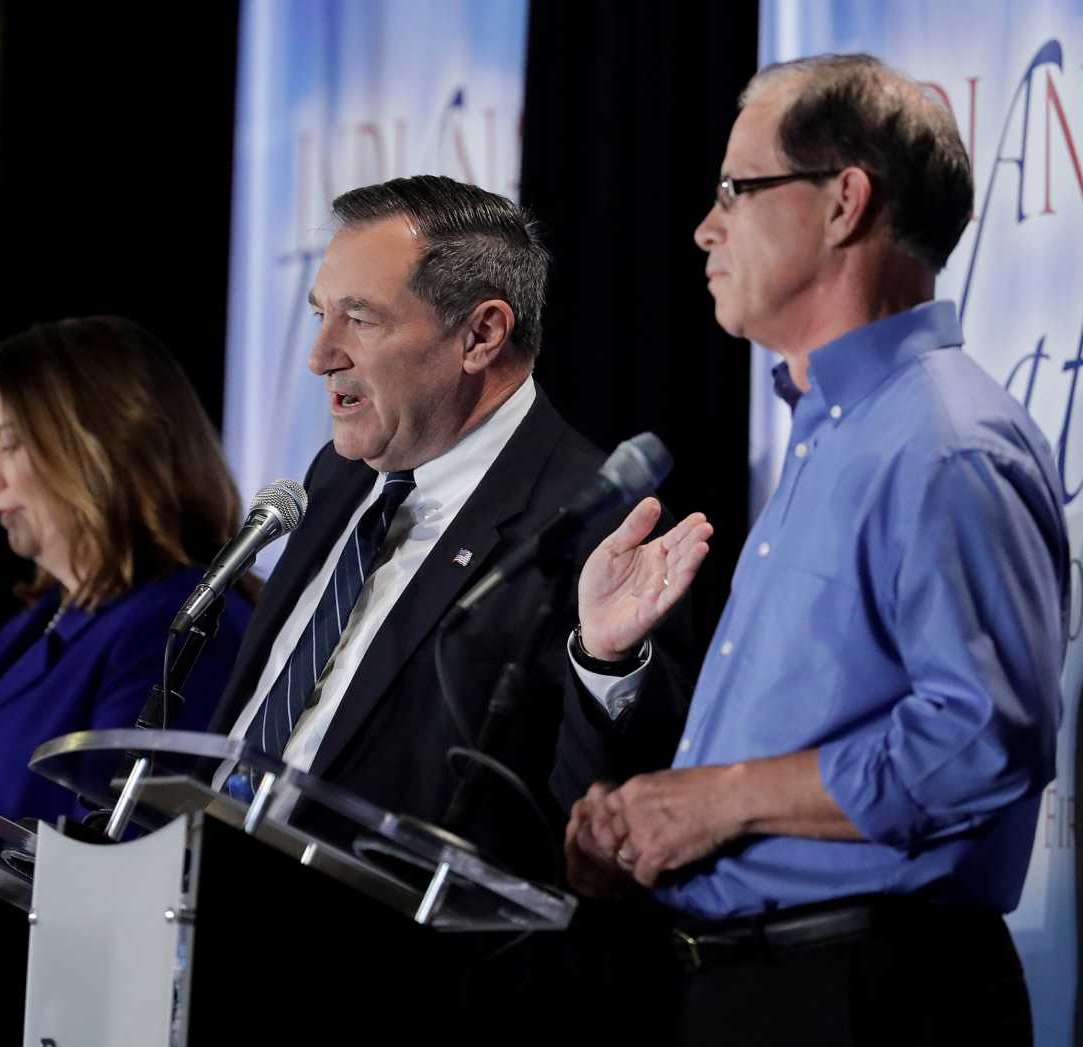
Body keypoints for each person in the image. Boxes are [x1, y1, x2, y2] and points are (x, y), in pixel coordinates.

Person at [564, 54, 1069, 1044]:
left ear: (844, 203)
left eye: (735, 190)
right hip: (749, 989)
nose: (705, 227)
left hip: (869, 998)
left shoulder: (943, 442)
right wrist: (646, 822)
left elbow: (980, 739)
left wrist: (719, 802)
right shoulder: (827, 433)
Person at [204, 175, 707, 881]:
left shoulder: (594, 524)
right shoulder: (337, 477)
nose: (320, 356)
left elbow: (602, 828)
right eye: (321, 314)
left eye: (361, 318)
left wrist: (607, 666)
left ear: (481, 333)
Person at [0, 316, 252, 825]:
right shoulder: (30, 628)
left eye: (9, 443)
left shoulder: (186, 626)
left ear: (95, 445)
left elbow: (110, 843)